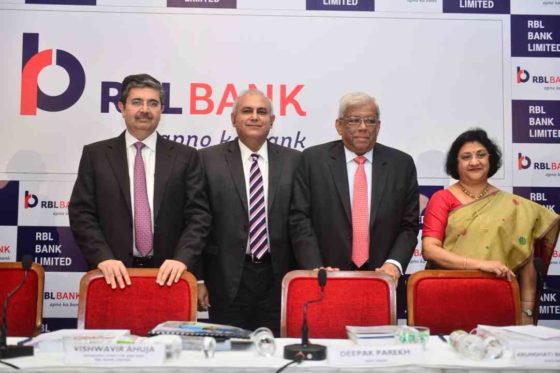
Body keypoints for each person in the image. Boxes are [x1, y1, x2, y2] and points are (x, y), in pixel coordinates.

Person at [69, 73, 210, 289]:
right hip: (111, 275)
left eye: (153, 103)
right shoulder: (96, 155)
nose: (145, 109)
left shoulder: (186, 157)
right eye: (137, 102)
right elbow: (81, 213)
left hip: (170, 276)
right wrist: (103, 258)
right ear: (122, 107)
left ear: (161, 109)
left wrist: (182, 259)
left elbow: (198, 216)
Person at [422, 128, 560, 324]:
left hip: (497, 296)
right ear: (456, 163)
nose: (475, 162)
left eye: (481, 155)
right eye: (466, 157)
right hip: (448, 293)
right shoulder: (442, 199)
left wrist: (527, 311)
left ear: (490, 159)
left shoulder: (513, 206)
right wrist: (481, 265)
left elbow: (525, 261)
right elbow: (430, 250)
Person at [197, 89, 301, 335]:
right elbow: (196, 222)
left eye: (261, 112)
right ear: (234, 119)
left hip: (278, 279)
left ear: (272, 121)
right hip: (225, 280)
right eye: (247, 111)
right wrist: (199, 278)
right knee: (228, 355)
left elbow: (302, 221)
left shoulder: (295, 161)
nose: (255, 117)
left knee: (275, 350)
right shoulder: (206, 160)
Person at [290, 92, 419, 285]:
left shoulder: (401, 164)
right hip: (326, 275)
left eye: (370, 121)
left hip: (382, 276)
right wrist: (315, 267)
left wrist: (394, 263)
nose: (363, 127)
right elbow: (299, 218)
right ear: (339, 125)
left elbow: (408, 225)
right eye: (353, 120)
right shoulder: (312, 160)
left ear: (379, 126)